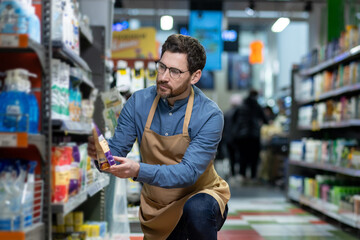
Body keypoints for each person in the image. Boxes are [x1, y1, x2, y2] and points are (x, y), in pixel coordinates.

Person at [87, 34, 230, 240]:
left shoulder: (209, 114)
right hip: (157, 207)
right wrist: (100, 155)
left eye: (174, 71)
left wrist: (137, 170)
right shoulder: (138, 103)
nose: (163, 77)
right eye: (162, 67)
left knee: (197, 210)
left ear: (195, 76)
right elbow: (115, 153)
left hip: (200, 196)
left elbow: (188, 173)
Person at [232, 89, 268, 182]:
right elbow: (265, 120)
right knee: (254, 157)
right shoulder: (257, 106)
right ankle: (253, 176)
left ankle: (242, 175)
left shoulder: (241, 106)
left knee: (242, 156)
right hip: (254, 136)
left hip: (241, 136)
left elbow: (234, 120)